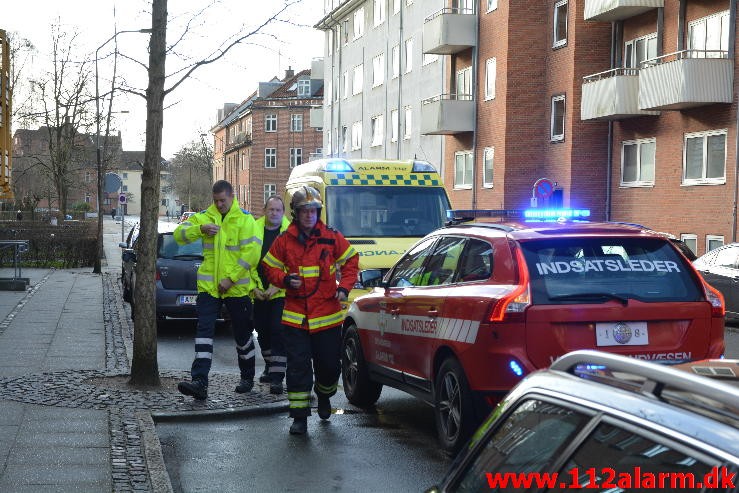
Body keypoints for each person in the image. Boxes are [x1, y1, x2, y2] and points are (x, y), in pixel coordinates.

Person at [262, 185, 359, 435]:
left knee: (328, 367)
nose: (309, 215)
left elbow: (351, 260)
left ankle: (324, 396)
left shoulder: (331, 236)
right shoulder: (285, 240)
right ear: (296, 213)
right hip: (296, 319)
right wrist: (283, 280)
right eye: (305, 211)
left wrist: (344, 288)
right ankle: (299, 417)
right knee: (297, 367)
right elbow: (268, 267)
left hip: (326, 317)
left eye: (314, 210)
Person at [175, 180, 261, 400]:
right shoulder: (205, 216)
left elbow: (251, 254)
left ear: (232, 197)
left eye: (223, 200)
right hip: (209, 289)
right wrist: (199, 229)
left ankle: (247, 377)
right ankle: (199, 382)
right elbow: (179, 235)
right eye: (216, 201)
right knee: (204, 335)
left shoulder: (245, 219)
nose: (220, 204)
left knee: (243, 336)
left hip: (237, 289)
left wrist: (231, 279)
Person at [251, 196, 290, 394]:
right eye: (271, 209)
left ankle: (277, 377)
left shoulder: (290, 231)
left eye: (278, 210)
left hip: (280, 291)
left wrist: (278, 285)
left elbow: (294, 264)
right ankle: (269, 364)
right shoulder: (254, 228)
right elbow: (246, 260)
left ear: (283, 213)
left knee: (277, 330)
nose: (274, 213)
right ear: (264, 210)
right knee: (262, 330)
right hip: (258, 289)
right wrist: (253, 288)